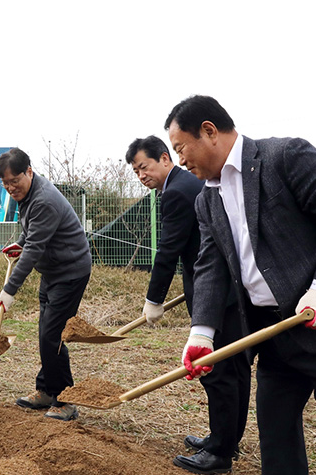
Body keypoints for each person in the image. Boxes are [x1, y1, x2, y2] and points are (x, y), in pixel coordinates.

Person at [166, 95, 316, 475]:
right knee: (277, 445)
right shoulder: (207, 199)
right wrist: (201, 333)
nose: (181, 161)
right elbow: (211, 264)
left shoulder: (285, 156)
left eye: (181, 149)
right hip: (276, 335)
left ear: (209, 131)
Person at [126, 136, 250, 473]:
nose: (141, 175)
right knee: (235, 367)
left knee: (218, 371)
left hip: (215, 293)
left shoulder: (178, 192)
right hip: (231, 290)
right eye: (136, 172)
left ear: (164, 158)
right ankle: (225, 439)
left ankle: (219, 452)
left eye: (144, 167)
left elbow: (168, 251)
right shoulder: (186, 183)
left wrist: (154, 300)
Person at [0, 147, 92, 421]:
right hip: (52, 271)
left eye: (15, 181)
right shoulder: (29, 196)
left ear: (29, 171)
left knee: (53, 334)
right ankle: (47, 390)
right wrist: (20, 243)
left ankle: (66, 401)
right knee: (45, 332)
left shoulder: (44, 200)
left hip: (70, 272)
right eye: (6, 184)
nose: (11, 188)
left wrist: (9, 290)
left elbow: (35, 249)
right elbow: (32, 235)